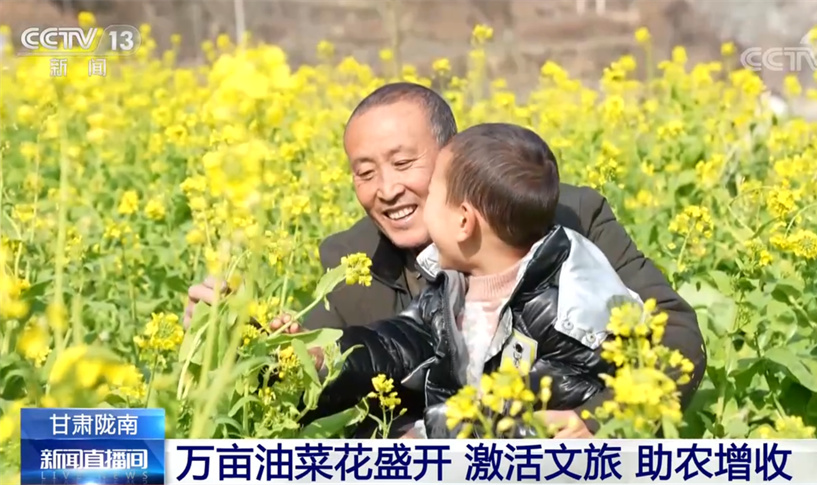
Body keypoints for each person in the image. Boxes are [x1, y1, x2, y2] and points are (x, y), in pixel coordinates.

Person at [184, 82, 707, 438]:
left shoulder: (564, 219)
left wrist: (597, 420)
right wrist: (255, 345)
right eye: (365, 173)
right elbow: (343, 368)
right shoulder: (349, 259)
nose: (387, 189)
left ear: (454, 158)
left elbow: (673, 332)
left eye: (404, 163)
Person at [302, 122, 645, 438]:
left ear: (464, 222)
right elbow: (398, 343)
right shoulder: (453, 286)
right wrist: (323, 354)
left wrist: (426, 440)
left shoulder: (566, 313)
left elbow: (531, 423)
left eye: (433, 196)